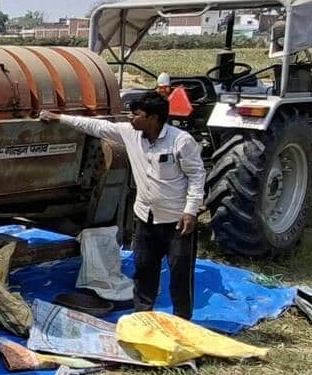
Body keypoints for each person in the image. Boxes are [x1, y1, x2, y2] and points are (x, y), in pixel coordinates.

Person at [40, 90, 206, 320]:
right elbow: (96, 126)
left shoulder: (181, 141)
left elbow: (197, 174)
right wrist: (60, 118)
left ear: (153, 118)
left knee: (180, 273)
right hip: (145, 217)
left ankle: (182, 321)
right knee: (144, 269)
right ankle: (142, 317)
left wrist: (190, 210)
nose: (130, 118)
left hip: (177, 221)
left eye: (136, 114)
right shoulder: (130, 133)